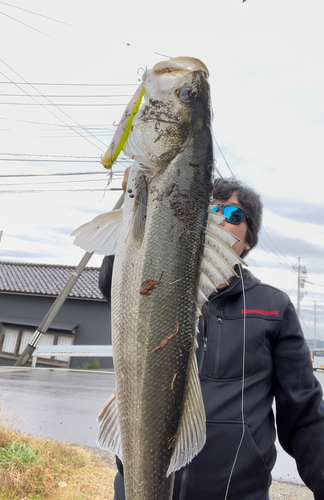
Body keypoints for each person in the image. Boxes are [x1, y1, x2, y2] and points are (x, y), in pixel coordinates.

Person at [99, 172, 324, 500]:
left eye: (233, 214)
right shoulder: (156, 286)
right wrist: (138, 203)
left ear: (248, 240)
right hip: (137, 487)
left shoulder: (273, 307)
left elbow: (305, 414)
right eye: (210, 208)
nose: (218, 218)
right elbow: (111, 279)